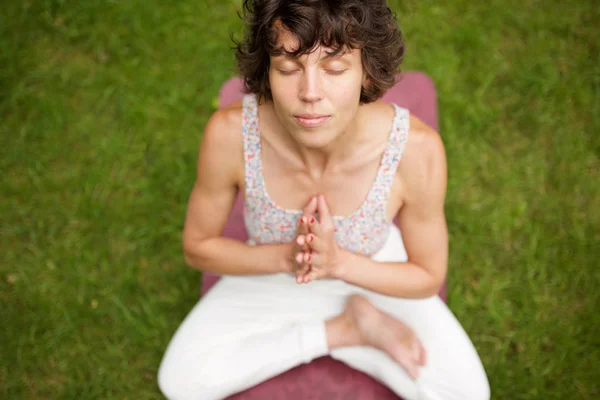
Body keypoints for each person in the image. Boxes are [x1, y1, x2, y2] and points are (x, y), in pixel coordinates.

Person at [158, 1, 490, 399]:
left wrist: (337, 263)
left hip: (371, 274)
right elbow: (197, 248)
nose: (310, 94)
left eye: (333, 69)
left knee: (466, 393)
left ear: (367, 71)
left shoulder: (415, 150)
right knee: (181, 380)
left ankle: (359, 316)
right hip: (269, 274)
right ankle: (344, 331)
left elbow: (428, 276)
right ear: (266, 69)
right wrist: (288, 258)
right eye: (287, 68)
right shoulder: (229, 133)